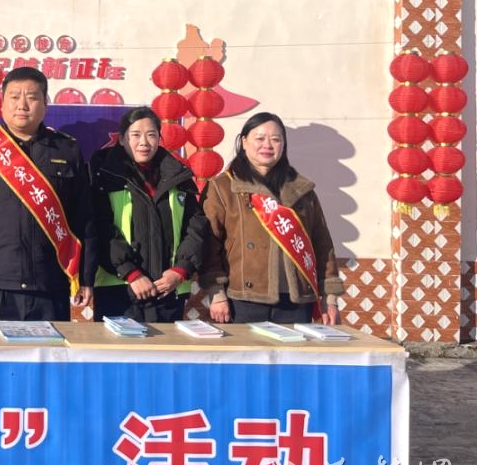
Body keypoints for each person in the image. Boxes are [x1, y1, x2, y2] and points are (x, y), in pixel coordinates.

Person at [0, 66, 95, 322]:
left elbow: (84, 218)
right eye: (15, 96)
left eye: (32, 97)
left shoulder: (66, 150)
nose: (22, 105)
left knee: (50, 349)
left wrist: (85, 276)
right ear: (2, 103)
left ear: (45, 104)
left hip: (50, 282)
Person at [201, 112, 343, 325]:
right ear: (244, 141)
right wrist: (216, 293)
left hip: (297, 300)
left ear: (283, 145)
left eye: (276, 139)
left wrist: (330, 298)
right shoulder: (224, 187)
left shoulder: (301, 189)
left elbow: (323, 245)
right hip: (243, 299)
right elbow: (209, 243)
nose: (267, 145)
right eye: (259, 138)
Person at [90, 107, 209, 322]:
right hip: (120, 290)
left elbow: (195, 227)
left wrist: (180, 270)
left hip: (168, 289)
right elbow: (100, 228)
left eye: (151, 135)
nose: (144, 142)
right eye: (135, 135)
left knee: (165, 345)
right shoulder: (103, 175)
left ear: (159, 138)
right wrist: (131, 273)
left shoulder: (177, 175)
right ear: (122, 139)